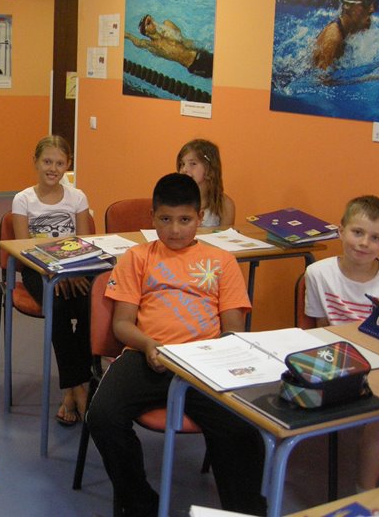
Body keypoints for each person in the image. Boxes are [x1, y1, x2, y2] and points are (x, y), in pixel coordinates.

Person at [87, 173, 267, 516]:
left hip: (203, 363)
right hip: (146, 354)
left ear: (200, 218)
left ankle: (243, 511)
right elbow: (122, 324)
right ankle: (141, 503)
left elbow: (233, 330)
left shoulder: (222, 262)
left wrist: (211, 355)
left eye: (185, 220)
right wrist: (148, 344)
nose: (174, 230)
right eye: (165, 220)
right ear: (152, 218)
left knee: (242, 428)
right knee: (102, 416)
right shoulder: (137, 257)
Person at [304, 195, 379, 491]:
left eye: (375, 238)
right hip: (338, 361)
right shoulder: (318, 273)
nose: (364, 243)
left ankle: (364, 492)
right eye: (357, 232)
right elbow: (320, 329)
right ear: (341, 231)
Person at [11, 135, 91, 426]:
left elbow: (84, 243)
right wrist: (55, 272)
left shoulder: (77, 197)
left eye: (59, 163)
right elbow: (23, 249)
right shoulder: (23, 199)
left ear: (68, 164)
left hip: (74, 268)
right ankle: (78, 389)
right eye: (47, 161)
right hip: (38, 270)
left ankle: (72, 388)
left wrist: (70, 270)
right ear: (35, 162)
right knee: (57, 307)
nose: (53, 168)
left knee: (91, 308)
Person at [313, 0, 376, 70]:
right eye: (366, 2)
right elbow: (320, 79)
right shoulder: (332, 40)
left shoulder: (349, 29)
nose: (372, 9)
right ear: (347, 5)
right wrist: (371, 76)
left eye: (373, 0)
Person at [125, 14, 214, 78]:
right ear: (146, 33)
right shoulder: (152, 45)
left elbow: (178, 36)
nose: (152, 22)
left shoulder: (167, 27)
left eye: (151, 19)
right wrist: (128, 36)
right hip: (192, 67)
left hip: (199, 55)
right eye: (149, 23)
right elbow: (138, 42)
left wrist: (159, 27)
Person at [176, 139, 235, 227]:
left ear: (210, 169)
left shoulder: (225, 205)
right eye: (182, 164)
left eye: (193, 164)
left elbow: (226, 235)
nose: (184, 169)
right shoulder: (174, 199)